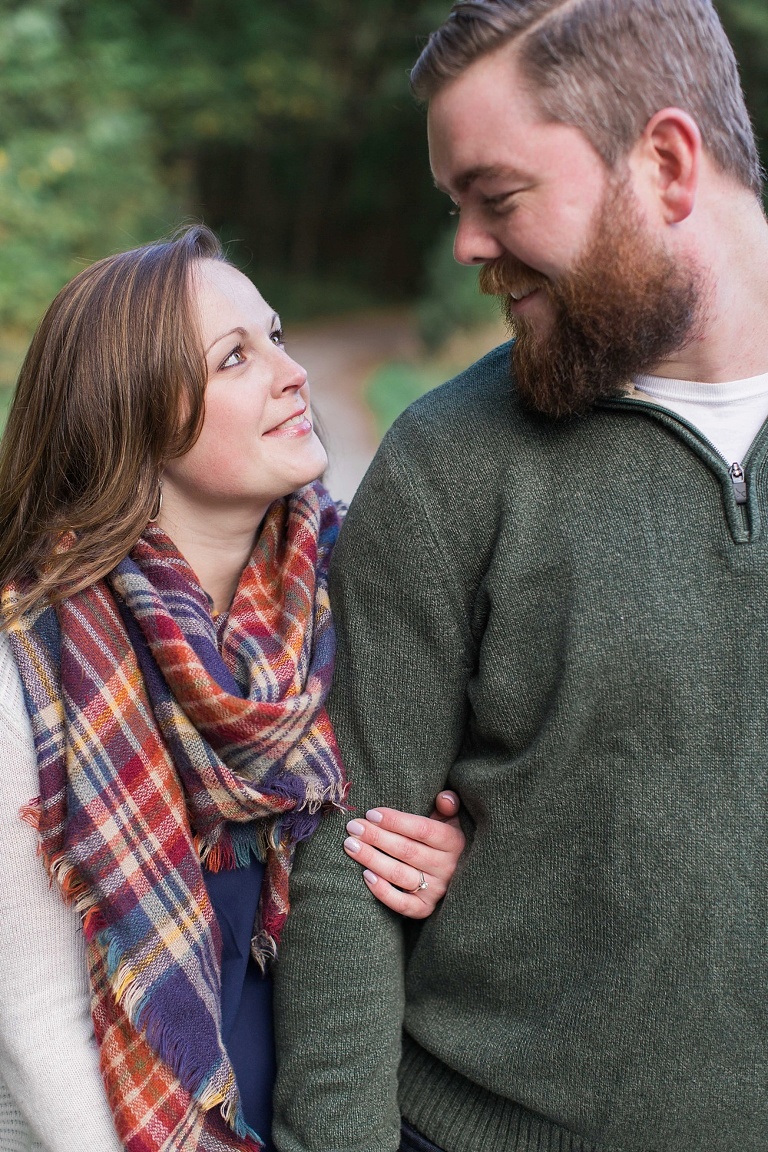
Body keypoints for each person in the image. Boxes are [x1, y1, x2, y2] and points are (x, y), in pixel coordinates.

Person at [271, 1, 768, 1150]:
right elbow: (344, 856)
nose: (466, 247)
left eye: (495, 197)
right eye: (456, 206)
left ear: (666, 163)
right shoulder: (447, 459)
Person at [0, 224, 466, 1152]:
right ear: (129, 410)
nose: (293, 374)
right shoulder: (35, 664)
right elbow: (38, 1018)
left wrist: (451, 862)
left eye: (279, 337)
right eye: (236, 358)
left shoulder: (356, 595)